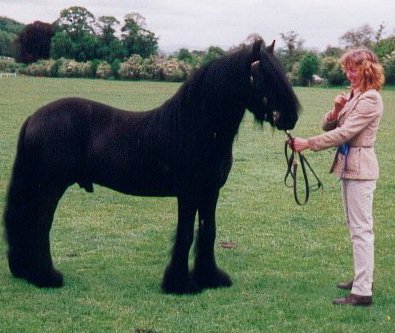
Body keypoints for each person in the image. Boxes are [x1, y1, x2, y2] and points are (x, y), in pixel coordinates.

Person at [292, 48, 385, 306]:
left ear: (367, 69)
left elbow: (345, 134)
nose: (348, 73)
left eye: (352, 69)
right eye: (346, 68)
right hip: (348, 167)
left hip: (361, 168)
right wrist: (336, 109)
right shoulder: (355, 95)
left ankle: (362, 291)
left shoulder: (371, 99)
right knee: (355, 227)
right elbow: (329, 125)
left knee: (361, 230)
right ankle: (361, 279)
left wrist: (308, 143)